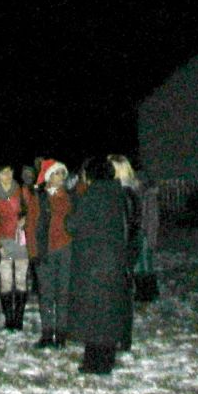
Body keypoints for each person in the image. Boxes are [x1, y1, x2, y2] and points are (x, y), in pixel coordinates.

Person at [65, 159, 134, 375]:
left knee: (93, 315)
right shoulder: (118, 194)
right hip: (114, 262)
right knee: (108, 313)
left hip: (93, 263)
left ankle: (94, 362)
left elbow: (73, 224)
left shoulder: (92, 195)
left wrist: (73, 203)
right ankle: (107, 359)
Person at [26, 158, 73, 348]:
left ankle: (61, 334)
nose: (60, 177)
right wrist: (33, 252)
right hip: (45, 250)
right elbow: (31, 225)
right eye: (56, 173)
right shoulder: (39, 198)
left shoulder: (69, 197)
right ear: (48, 177)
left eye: (62, 173)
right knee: (46, 294)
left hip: (65, 249)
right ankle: (47, 333)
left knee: (63, 293)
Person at [110, 154, 157, 303]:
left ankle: (146, 294)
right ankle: (143, 294)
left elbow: (149, 214)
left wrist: (149, 234)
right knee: (138, 265)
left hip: (139, 231)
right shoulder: (121, 189)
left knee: (143, 264)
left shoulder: (135, 189)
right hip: (133, 231)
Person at [0, 166, 31, 330]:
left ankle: (19, 319)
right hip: (4, 241)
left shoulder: (22, 191)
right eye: (3, 172)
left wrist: (25, 220)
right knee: (5, 281)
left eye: (9, 172)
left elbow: (32, 211)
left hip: (21, 240)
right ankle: (9, 319)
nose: (7, 175)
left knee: (21, 279)